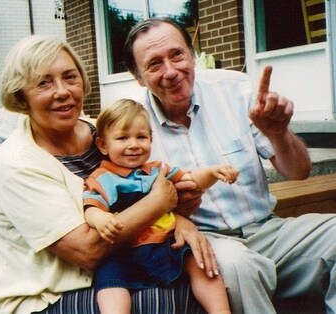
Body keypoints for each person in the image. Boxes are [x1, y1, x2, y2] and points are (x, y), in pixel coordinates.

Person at [0, 35, 215, 314]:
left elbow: (146, 188)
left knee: (206, 272)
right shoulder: (16, 162)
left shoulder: (102, 133)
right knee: (157, 300)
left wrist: (181, 219)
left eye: (70, 77)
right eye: (44, 82)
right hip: (46, 295)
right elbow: (87, 251)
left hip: (119, 266)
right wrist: (158, 204)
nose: (62, 91)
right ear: (21, 96)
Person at [123, 17, 336, 313]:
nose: (171, 71)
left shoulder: (234, 89)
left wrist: (279, 134)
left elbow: (299, 172)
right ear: (138, 76)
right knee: (238, 266)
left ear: (192, 54)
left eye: (177, 54)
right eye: (154, 64)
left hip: (267, 229)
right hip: (206, 241)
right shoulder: (132, 128)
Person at [84, 98, 238, 314]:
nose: (134, 144)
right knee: (109, 282)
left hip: (163, 244)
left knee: (198, 261)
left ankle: (220, 311)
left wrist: (213, 173)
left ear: (151, 139)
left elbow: (191, 179)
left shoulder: (157, 170)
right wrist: (100, 219)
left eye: (141, 137)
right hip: (123, 250)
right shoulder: (102, 178)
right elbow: (90, 207)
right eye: (122, 138)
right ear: (102, 145)